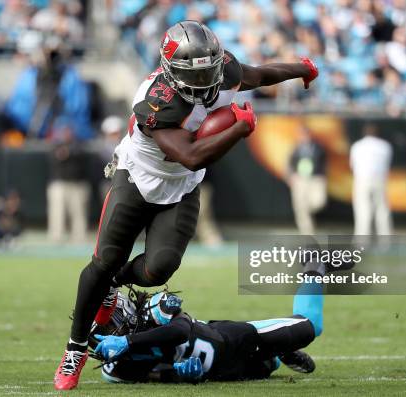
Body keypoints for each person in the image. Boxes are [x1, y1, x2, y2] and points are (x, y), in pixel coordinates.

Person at [53, 20, 319, 391]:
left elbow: (260, 73)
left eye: (211, 68)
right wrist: (238, 130)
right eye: (197, 72)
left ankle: (117, 283)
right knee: (104, 260)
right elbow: (190, 155)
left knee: (160, 267)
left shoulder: (223, 68)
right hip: (138, 177)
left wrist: (302, 69)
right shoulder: (156, 99)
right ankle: (75, 348)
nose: (208, 78)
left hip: (181, 187)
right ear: (170, 70)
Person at [90, 278, 324, 383]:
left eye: (110, 325)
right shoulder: (115, 369)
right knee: (269, 366)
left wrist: (129, 341)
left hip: (233, 338)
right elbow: (156, 376)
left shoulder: (152, 309)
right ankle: (280, 353)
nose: (111, 332)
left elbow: (181, 330)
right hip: (224, 372)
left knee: (312, 326)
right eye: (104, 331)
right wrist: (180, 374)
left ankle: (314, 266)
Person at [47, 131, 92, 244]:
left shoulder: (79, 146)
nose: (65, 135)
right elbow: (56, 156)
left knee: (78, 212)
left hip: (76, 184)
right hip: (59, 184)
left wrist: (69, 152)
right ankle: (56, 237)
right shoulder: (55, 147)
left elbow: (79, 155)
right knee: (57, 212)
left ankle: (80, 237)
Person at [350, 123, 393, 236]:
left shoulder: (357, 146)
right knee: (382, 210)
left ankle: (361, 242)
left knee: (362, 210)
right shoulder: (385, 146)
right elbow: (387, 165)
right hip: (379, 179)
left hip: (362, 179)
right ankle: (385, 241)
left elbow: (352, 165)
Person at [287, 125, 327, 235]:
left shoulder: (318, 148)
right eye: (301, 135)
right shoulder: (295, 149)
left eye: (305, 134)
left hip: (315, 179)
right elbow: (289, 163)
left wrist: (322, 176)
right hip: (300, 179)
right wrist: (291, 176)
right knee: (299, 206)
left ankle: (307, 212)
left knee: (319, 202)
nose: (303, 137)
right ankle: (307, 232)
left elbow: (324, 162)